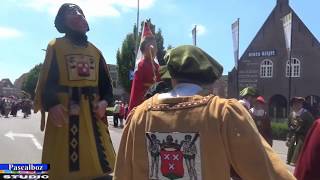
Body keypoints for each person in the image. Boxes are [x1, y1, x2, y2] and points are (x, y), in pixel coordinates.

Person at [113, 45, 295, 180]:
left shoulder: (139, 115)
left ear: (171, 76)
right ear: (207, 79)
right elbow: (266, 171)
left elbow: (122, 173)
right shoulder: (223, 114)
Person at [33, 3, 115, 179]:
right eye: (72, 12)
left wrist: (104, 102)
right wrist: (53, 104)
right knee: (63, 161)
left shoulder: (96, 52)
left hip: (92, 113)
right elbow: (48, 80)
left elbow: (106, 86)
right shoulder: (56, 46)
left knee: (96, 158)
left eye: (81, 12)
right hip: (65, 112)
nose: (78, 15)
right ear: (63, 21)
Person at [128, 21, 160, 112]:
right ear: (143, 50)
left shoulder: (157, 67)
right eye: (149, 46)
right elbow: (136, 89)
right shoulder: (141, 66)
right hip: (144, 103)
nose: (153, 48)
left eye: (154, 46)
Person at [286, 97, 314, 165]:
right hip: (294, 135)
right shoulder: (292, 114)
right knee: (292, 145)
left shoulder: (307, 114)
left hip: (303, 135)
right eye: (294, 104)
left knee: (299, 146)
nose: (296, 105)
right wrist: (288, 138)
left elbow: (312, 125)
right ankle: (290, 160)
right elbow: (289, 127)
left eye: (299, 103)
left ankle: (297, 162)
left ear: (301, 104)